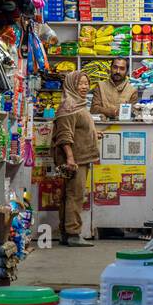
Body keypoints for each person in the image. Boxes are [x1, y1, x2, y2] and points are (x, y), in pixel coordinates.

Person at [52, 71, 100, 246]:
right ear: (71, 84)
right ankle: (73, 234)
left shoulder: (78, 104)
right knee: (75, 195)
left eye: (86, 83)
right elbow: (64, 136)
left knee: (69, 195)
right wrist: (70, 159)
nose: (84, 86)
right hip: (75, 160)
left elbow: (77, 129)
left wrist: (93, 134)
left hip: (81, 157)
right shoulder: (69, 106)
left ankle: (66, 233)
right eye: (80, 83)